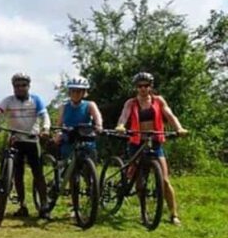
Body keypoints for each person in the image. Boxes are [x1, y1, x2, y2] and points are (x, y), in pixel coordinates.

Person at [115, 71, 188, 225]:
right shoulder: (131, 103)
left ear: (151, 87)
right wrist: (121, 125)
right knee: (139, 180)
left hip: (155, 142)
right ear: (136, 87)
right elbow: (124, 115)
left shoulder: (158, 100)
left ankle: (174, 214)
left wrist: (179, 128)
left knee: (165, 180)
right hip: (137, 142)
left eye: (146, 85)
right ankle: (143, 213)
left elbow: (170, 115)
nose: (143, 88)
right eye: (140, 86)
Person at [0, 72, 51, 218]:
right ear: (13, 87)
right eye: (17, 86)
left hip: (32, 140)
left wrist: (45, 128)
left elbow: (45, 115)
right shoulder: (9, 100)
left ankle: (44, 206)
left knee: (38, 174)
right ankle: (22, 205)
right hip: (16, 140)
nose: (20, 88)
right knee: (17, 175)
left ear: (28, 86)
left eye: (23, 85)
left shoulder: (36, 100)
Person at [54, 77, 103, 158]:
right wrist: (57, 133)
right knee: (64, 158)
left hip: (85, 137)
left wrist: (99, 126)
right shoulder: (64, 107)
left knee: (89, 155)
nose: (76, 94)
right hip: (69, 138)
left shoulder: (90, 105)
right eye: (73, 91)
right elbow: (59, 124)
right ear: (69, 92)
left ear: (84, 92)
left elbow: (98, 117)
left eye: (79, 91)